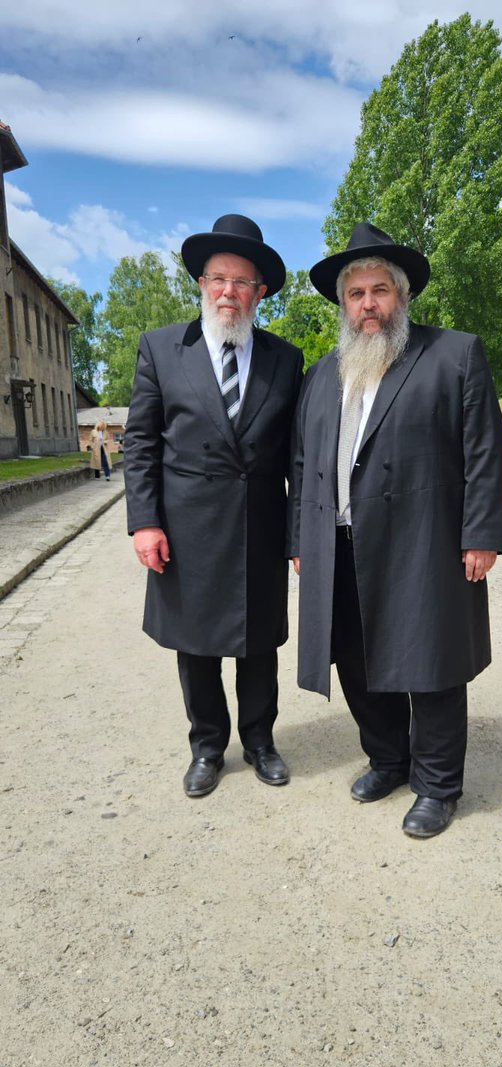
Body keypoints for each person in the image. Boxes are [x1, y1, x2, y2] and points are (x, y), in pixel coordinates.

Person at [288, 222, 502, 838]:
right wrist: (299, 540)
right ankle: (388, 759)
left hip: (422, 542)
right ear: (342, 303)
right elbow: (302, 465)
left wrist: (481, 533)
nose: (368, 305)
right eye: (356, 294)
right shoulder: (321, 376)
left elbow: (484, 450)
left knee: (431, 663)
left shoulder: (453, 355)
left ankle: (437, 786)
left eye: (379, 290)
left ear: (402, 295)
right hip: (339, 544)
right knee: (357, 663)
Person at [124, 214, 303, 798]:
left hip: (259, 527)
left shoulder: (286, 359)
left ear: (260, 292)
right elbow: (141, 444)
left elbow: (297, 456)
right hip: (187, 528)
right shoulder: (161, 349)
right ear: (202, 284)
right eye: (218, 279)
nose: (228, 291)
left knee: (259, 645)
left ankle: (260, 741)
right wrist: (145, 522)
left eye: (241, 281)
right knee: (196, 647)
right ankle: (207, 747)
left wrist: (299, 534)